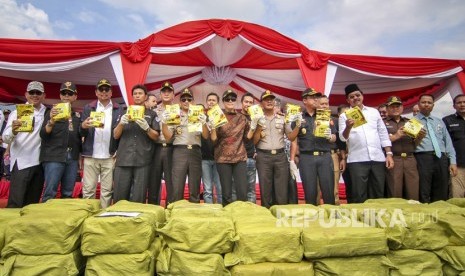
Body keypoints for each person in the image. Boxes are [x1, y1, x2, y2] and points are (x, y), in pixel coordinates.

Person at [339, 83, 394, 203]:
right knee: (359, 194)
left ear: (362, 96)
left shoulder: (374, 112)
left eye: (357, 95)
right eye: (351, 97)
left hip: (377, 159)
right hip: (357, 160)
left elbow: (383, 133)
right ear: (348, 100)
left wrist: (388, 153)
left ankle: (377, 219)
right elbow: (343, 138)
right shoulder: (344, 116)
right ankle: (360, 220)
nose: (355, 98)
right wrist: (348, 127)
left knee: (378, 193)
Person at [2, 81, 47, 207]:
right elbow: (5, 138)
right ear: (26, 95)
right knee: (15, 203)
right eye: (32, 92)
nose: (35, 95)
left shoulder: (47, 113)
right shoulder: (16, 112)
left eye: (38, 92)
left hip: (39, 163)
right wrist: (13, 130)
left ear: (44, 95)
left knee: (32, 204)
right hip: (21, 163)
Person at [80, 78, 124, 208]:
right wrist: (83, 125)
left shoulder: (119, 108)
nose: (104, 92)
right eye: (101, 89)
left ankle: (102, 216)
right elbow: (80, 132)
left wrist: (117, 152)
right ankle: (87, 215)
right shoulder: (88, 107)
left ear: (111, 93)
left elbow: (121, 133)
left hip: (109, 156)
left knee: (107, 191)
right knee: (88, 190)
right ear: (96, 92)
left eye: (107, 89)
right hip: (90, 155)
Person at [113, 84, 160, 203]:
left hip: (143, 159)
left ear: (145, 97)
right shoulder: (124, 111)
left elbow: (156, 136)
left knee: (139, 197)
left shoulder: (152, 114)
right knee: (119, 196)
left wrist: (147, 128)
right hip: (124, 159)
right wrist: (121, 124)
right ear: (132, 96)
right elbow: (115, 135)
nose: (137, 96)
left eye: (140, 93)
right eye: (135, 94)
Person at [288, 88, 336, 205]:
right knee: (310, 192)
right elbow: (291, 138)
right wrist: (298, 126)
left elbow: (335, 137)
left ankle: (332, 219)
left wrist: (330, 136)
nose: (316, 99)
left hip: (324, 156)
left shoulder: (324, 115)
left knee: (328, 191)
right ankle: (313, 218)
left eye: (316, 97)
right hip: (307, 158)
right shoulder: (298, 117)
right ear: (305, 100)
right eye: (312, 97)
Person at [253, 90, 300, 208]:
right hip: (263, 156)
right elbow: (253, 141)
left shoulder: (282, 118)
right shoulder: (257, 118)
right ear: (261, 103)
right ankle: (267, 217)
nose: (269, 101)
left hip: (280, 156)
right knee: (265, 190)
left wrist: (298, 125)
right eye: (266, 99)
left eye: (271, 99)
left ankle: (281, 216)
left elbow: (291, 137)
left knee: (281, 190)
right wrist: (258, 126)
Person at [161, 88, 209, 203]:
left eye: (189, 99)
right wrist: (164, 123)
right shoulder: (175, 114)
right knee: (177, 186)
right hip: (179, 151)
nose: (186, 101)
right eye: (184, 99)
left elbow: (206, 136)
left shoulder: (199, 115)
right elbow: (168, 137)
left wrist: (204, 123)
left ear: (193, 100)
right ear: (180, 101)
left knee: (195, 186)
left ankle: (193, 216)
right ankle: (176, 215)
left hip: (195, 151)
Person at [40, 81, 82, 202]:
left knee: (68, 194)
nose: (66, 96)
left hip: (72, 157)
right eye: (64, 93)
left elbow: (80, 137)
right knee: (50, 192)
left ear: (75, 97)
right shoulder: (51, 112)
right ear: (60, 95)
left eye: (70, 93)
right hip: (54, 156)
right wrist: (51, 121)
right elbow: (43, 134)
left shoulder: (77, 116)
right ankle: (45, 220)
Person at [210, 89, 251, 206]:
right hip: (222, 158)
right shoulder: (218, 117)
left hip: (240, 157)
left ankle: (242, 218)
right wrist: (213, 126)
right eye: (227, 99)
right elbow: (213, 140)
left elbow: (248, 138)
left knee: (242, 192)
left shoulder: (242, 118)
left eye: (233, 99)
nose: (230, 101)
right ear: (223, 101)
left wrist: (254, 126)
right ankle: (227, 218)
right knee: (226, 192)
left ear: (235, 101)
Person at [414, 94, 457, 203]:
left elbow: (448, 142)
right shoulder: (412, 122)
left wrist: (452, 161)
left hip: (441, 158)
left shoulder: (439, 121)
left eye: (429, 102)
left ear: (433, 105)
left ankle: (440, 213)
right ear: (419, 104)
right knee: (424, 188)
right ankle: (426, 214)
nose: (426, 105)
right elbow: (410, 145)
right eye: (423, 102)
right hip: (423, 157)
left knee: (442, 188)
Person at [384, 96, 422, 200]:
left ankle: (413, 213)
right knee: (395, 191)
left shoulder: (410, 122)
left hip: (410, 158)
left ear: (402, 108)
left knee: (413, 191)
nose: (395, 108)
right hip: (394, 159)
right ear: (387, 108)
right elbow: (379, 142)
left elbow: (415, 144)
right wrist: (395, 136)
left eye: (398, 106)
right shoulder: (382, 123)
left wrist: (420, 137)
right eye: (392, 106)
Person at [149, 81, 175, 205]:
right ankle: (154, 210)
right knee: (153, 181)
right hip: (156, 148)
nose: (166, 93)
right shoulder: (154, 110)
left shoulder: (178, 111)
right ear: (160, 94)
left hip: (172, 148)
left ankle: (170, 211)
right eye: (163, 91)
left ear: (173, 94)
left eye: (169, 91)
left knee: (171, 182)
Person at [319, 95, 344, 204]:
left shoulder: (335, 120)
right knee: (317, 189)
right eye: (322, 104)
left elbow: (341, 141)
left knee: (334, 189)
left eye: (326, 104)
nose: (325, 106)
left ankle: (334, 215)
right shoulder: (310, 120)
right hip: (317, 155)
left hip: (333, 155)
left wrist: (343, 157)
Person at [201, 93, 222, 204]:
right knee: (207, 189)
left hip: (219, 158)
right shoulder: (201, 116)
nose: (211, 102)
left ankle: (221, 212)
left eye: (214, 100)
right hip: (204, 157)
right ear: (206, 102)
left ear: (218, 103)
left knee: (220, 188)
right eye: (209, 100)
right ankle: (209, 212)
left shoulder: (222, 117)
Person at [443, 94, 465, 198]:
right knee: (457, 196)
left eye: (464, 102)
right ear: (454, 106)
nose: (462, 104)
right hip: (457, 166)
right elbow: (445, 143)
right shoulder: (447, 120)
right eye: (459, 102)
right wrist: (452, 162)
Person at [240, 92, 257, 203]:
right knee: (237, 188)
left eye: (251, 102)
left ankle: (252, 216)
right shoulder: (236, 117)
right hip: (237, 158)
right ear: (241, 103)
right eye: (246, 102)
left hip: (251, 157)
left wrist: (258, 150)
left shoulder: (257, 117)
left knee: (251, 189)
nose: (248, 104)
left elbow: (262, 136)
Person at [0, 109, 11, 179]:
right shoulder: (2, 123)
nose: (6, 115)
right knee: (2, 161)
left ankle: (8, 175)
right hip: (2, 145)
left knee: (6, 161)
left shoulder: (10, 122)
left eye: (7, 114)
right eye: (5, 114)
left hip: (8, 146)